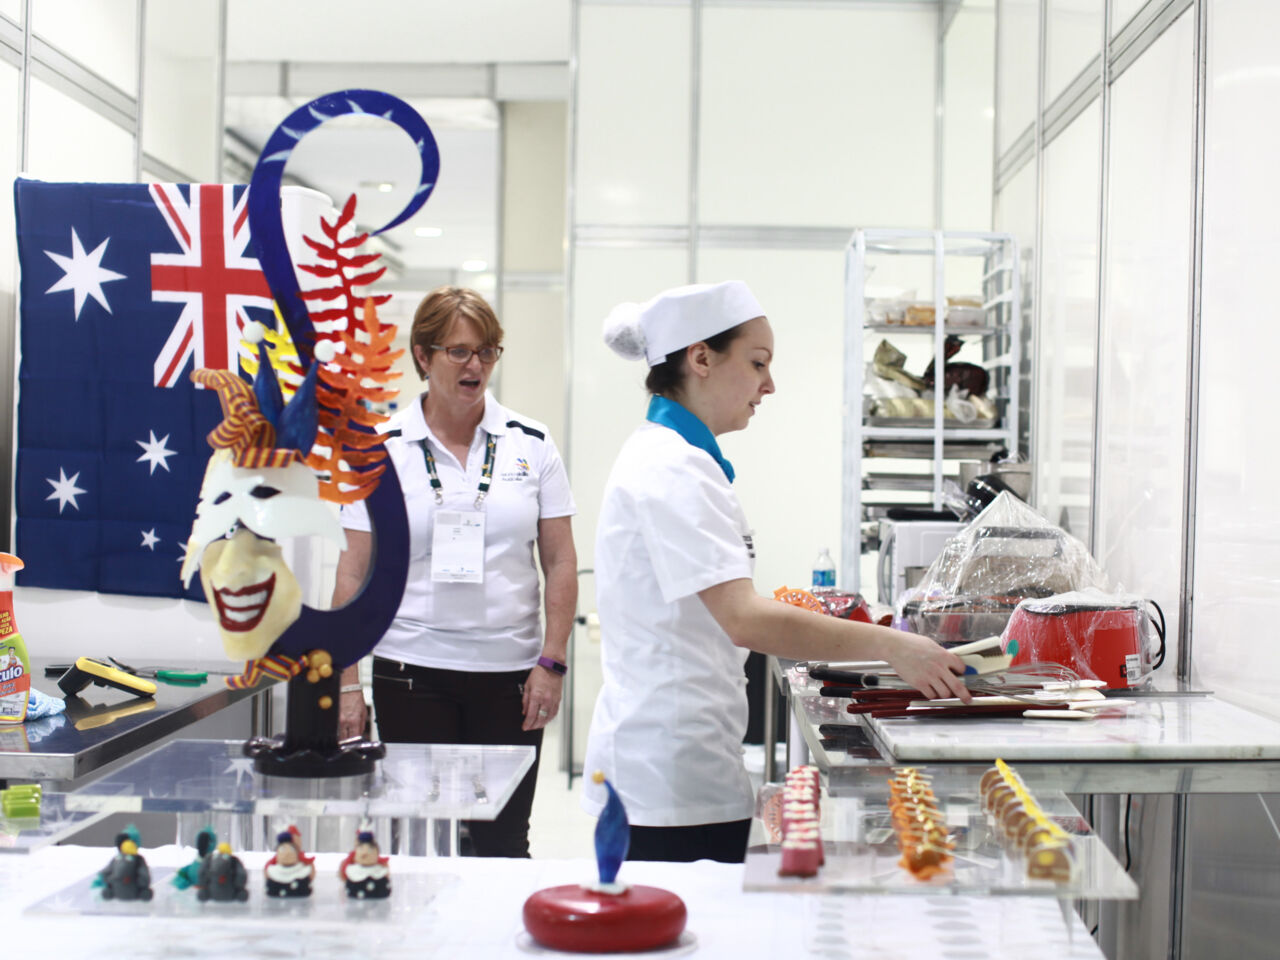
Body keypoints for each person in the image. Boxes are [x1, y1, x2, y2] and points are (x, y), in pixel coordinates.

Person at [581, 280, 970, 865]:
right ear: (701, 358)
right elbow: (744, 619)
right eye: (757, 363)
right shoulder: (671, 468)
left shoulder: (678, 459)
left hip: (675, 758)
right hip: (668, 775)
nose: (769, 385)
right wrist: (894, 646)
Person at [335, 286, 577, 858]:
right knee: (419, 842)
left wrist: (553, 661)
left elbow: (561, 559)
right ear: (423, 356)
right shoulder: (381, 448)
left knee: (502, 841)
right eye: (460, 352)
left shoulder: (533, 443)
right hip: (412, 669)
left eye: (489, 352)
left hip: (513, 675)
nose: (477, 366)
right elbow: (352, 574)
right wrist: (346, 682)